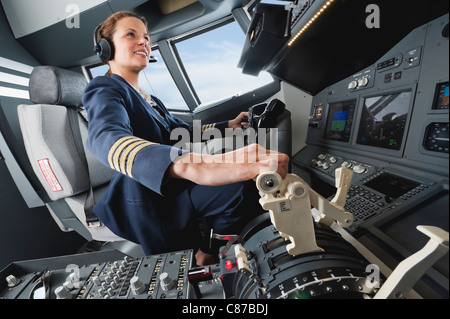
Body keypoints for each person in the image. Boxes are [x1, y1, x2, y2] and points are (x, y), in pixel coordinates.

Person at [82, 11, 289, 265]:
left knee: (241, 182)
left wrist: (228, 125)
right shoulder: (104, 88)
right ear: (106, 48)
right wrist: (188, 164)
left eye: (146, 37)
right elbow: (104, 137)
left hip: (171, 182)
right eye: (131, 35)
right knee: (237, 187)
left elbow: (179, 130)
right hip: (144, 192)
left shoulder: (149, 99)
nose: (143, 42)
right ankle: (206, 254)